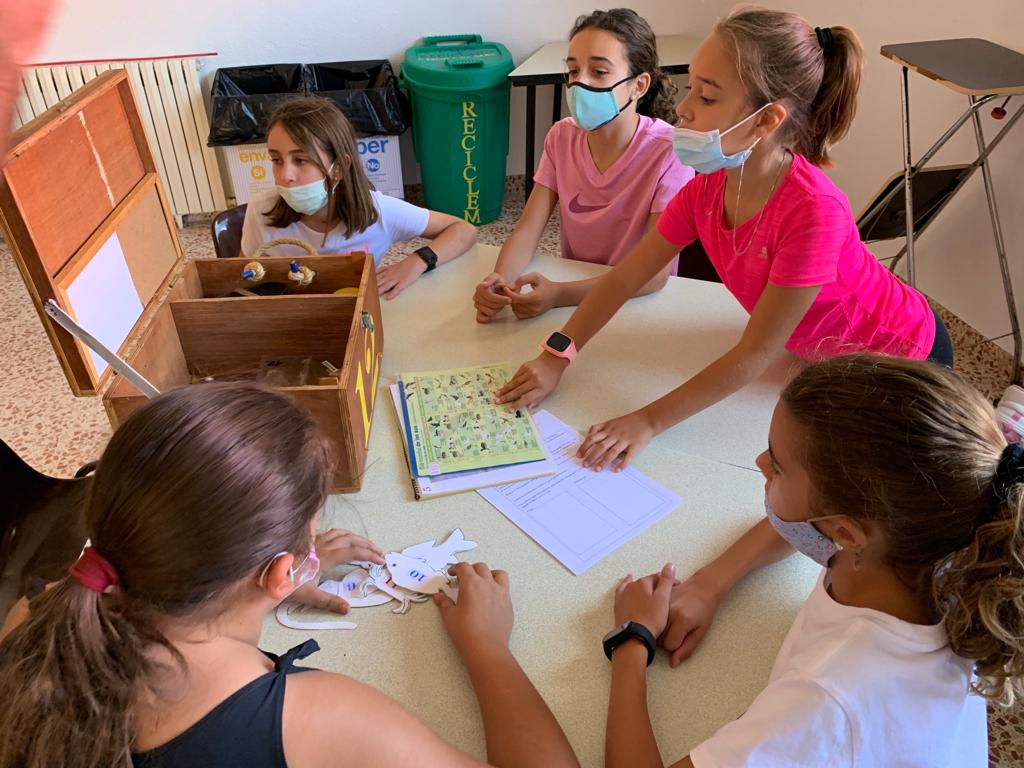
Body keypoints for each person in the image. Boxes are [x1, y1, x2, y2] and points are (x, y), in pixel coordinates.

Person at [0, 382, 578, 768]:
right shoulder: (317, 720)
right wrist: (487, 648)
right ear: (282, 572)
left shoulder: (36, 617)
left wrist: (252, 584)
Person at [497, 8, 953, 473]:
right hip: (817, 352)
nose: (683, 107)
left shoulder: (815, 210)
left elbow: (755, 353)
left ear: (765, 120)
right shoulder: (708, 189)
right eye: (691, 86)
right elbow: (623, 279)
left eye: (707, 95)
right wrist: (556, 356)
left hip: (906, 359)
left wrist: (648, 421)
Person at [605, 355, 1022, 766]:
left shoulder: (826, 699)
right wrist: (711, 583)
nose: (759, 463)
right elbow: (795, 523)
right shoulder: (943, 543)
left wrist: (632, 639)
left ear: (846, 533)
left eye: (777, 467)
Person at [473, 8, 693, 323]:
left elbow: (654, 274)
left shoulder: (670, 152)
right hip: (577, 290)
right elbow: (527, 230)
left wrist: (559, 295)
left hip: (636, 302)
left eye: (599, 72)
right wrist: (500, 281)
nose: (579, 83)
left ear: (639, 85)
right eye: (573, 70)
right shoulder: (561, 137)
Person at [241, 97, 477, 300]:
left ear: (339, 168)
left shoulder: (379, 211)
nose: (285, 176)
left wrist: (416, 262)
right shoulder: (261, 211)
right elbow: (243, 277)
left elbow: (463, 229)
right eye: (276, 160)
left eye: (301, 160)